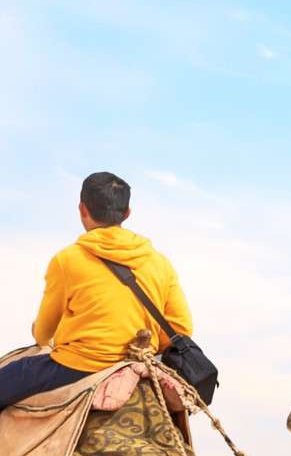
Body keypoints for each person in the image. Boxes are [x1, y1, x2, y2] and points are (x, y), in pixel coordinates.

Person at [4, 172, 196, 413]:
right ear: (127, 213)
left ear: (82, 209)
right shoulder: (160, 262)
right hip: (141, 362)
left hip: (79, 365)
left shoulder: (67, 260)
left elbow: (43, 334)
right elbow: (180, 328)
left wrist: (42, 332)